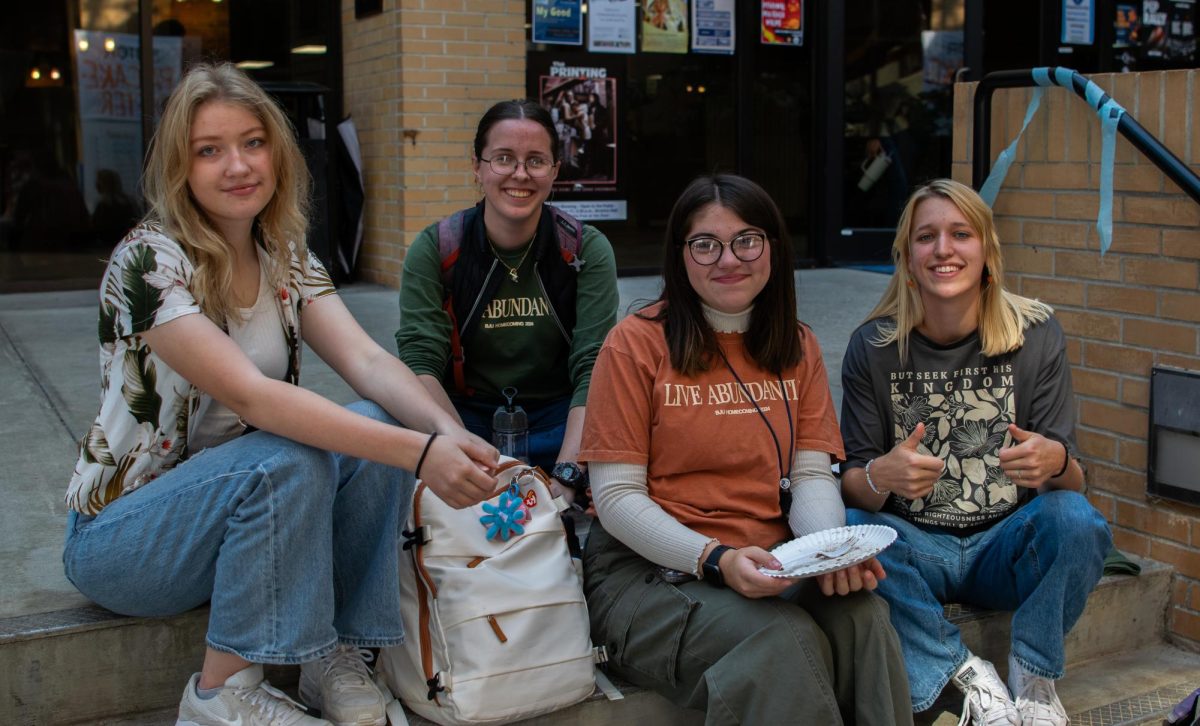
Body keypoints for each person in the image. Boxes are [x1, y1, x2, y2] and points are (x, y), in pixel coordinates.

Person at [62, 63, 499, 726]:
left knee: (373, 420)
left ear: (278, 152)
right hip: (127, 543)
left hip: (241, 525)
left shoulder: (284, 253)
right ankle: (220, 697)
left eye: (253, 142)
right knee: (290, 454)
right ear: (181, 165)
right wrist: (421, 454)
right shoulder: (149, 261)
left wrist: (449, 433)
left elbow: (368, 360)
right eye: (209, 150)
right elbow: (255, 399)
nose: (237, 165)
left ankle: (334, 657)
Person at [579, 173, 912, 725]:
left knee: (863, 617)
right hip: (648, 573)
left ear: (772, 249)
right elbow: (615, 498)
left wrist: (826, 552)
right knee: (781, 639)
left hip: (771, 559)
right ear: (681, 256)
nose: (727, 259)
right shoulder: (635, 344)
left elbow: (810, 476)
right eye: (705, 244)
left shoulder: (796, 344)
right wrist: (716, 559)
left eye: (746, 240)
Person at [839, 179, 1112, 726]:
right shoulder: (872, 346)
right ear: (906, 257)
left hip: (1005, 547)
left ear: (986, 250)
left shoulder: (1035, 333)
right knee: (849, 528)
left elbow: (1072, 485)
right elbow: (852, 486)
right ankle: (965, 675)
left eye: (960, 234)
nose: (943, 249)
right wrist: (882, 474)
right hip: (914, 548)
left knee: (1078, 520)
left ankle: (1034, 679)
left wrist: (1054, 462)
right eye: (926, 237)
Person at [396, 99, 618, 504]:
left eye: (535, 160)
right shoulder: (437, 248)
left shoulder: (585, 249)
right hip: (462, 419)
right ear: (477, 168)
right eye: (503, 158)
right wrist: (463, 454)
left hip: (563, 422)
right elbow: (420, 362)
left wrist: (568, 475)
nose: (520, 174)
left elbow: (595, 365)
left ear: (554, 171)